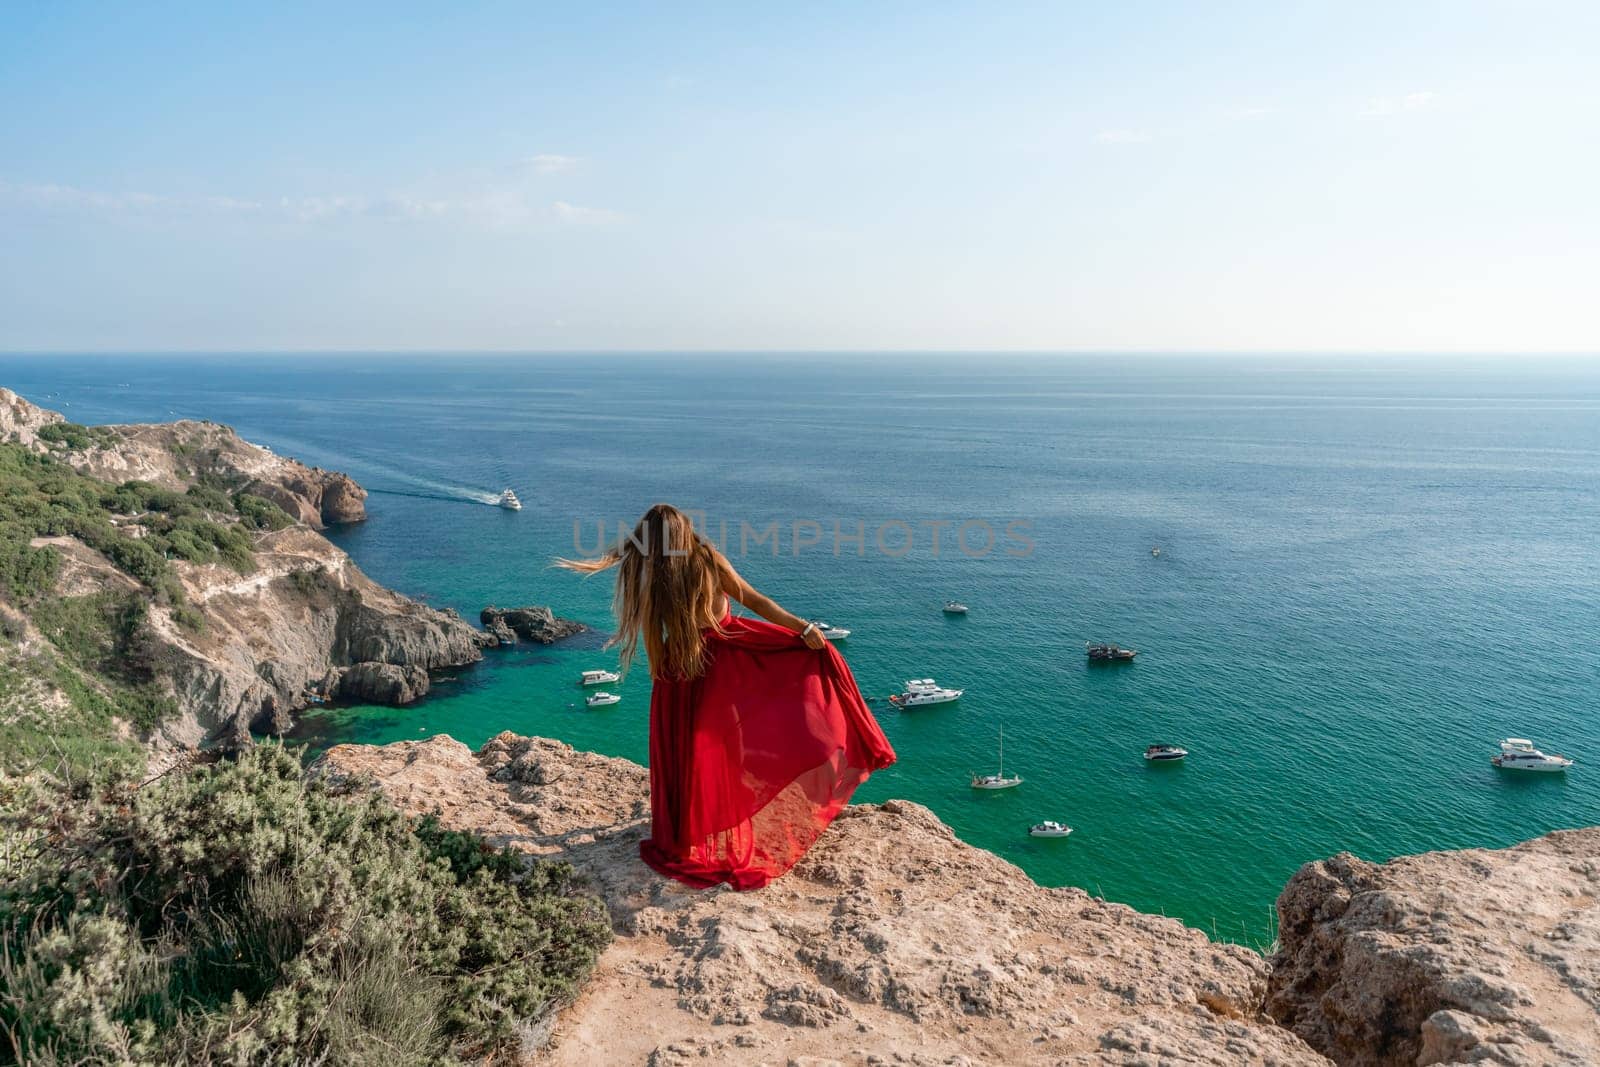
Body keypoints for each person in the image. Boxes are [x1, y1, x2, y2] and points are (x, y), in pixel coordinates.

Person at [559, 504, 895, 889]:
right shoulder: (704, 559)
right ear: (683, 532)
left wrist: (662, 678)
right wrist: (802, 629)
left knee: (685, 751)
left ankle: (686, 831)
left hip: (675, 671)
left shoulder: (652, 569)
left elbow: (654, 630)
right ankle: (721, 823)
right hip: (720, 661)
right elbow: (756, 601)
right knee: (725, 748)